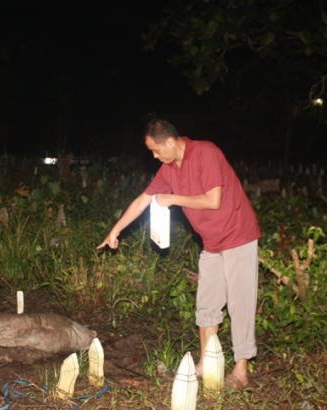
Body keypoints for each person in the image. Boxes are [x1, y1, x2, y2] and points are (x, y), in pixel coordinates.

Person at [97, 119, 261, 389]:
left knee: (239, 304)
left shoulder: (206, 153)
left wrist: (173, 199)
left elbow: (213, 200)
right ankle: (207, 362)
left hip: (238, 236)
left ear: (171, 142)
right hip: (212, 243)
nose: (154, 156)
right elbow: (143, 200)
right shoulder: (169, 169)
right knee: (206, 304)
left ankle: (241, 371)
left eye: (155, 150)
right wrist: (115, 231)